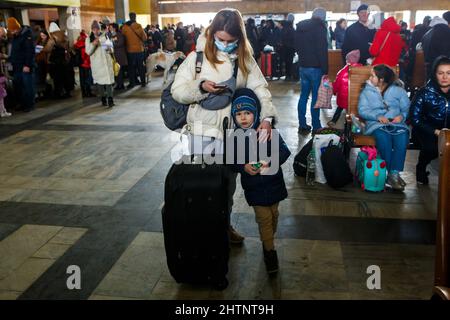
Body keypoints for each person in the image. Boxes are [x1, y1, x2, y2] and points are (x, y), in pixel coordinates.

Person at [171, 8, 277, 244]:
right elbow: (177, 92)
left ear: (239, 38)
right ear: (211, 34)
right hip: (200, 135)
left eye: (231, 40)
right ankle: (201, 232)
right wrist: (200, 87)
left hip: (233, 136)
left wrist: (267, 119)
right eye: (220, 39)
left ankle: (223, 227)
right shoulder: (196, 59)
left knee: (227, 188)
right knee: (200, 188)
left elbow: (260, 89)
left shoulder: (245, 60)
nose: (225, 44)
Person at [230, 88, 291, 274]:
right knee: (264, 219)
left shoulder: (268, 131)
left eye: (247, 113)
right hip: (254, 187)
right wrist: (243, 167)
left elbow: (284, 151)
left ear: (255, 113)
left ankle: (268, 240)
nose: (243, 118)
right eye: (239, 114)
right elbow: (232, 160)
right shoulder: (235, 138)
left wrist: (270, 162)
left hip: (274, 183)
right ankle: (270, 251)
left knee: (274, 215)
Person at [358, 64, 411, 191]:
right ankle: (389, 172)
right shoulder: (367, 91)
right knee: (384, 139)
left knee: (402, 139)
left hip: (397, 123)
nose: (370, 78)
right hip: (377, 124)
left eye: (373, 76)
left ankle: (394, 173)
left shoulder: (398, 91)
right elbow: (362, 110)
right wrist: (377, 116)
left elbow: (407, 108)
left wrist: (402, 116)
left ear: (381, 79)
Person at [410, 55, 450, 185]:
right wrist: (436, 131)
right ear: (435, 74)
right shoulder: (425, 92)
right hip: (427, 130)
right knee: (432, 148)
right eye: (441, 73)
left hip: (448, 131)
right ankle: (421, 167)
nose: (445, 77)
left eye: (449, 73)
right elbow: (414, 118)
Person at [294, 7, 328, 134]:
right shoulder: (319, 28)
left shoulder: (301, 27)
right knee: (316, 97)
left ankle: (302, 124)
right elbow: (322, 50)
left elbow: (296, 46)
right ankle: (316, 125)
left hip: (303, 67)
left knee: (303, 96)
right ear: (322, 17)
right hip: (316, 68)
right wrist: (325, 70)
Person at [7, 17, 35, 112]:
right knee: (18, 86)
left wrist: (27, 65)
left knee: (27, 86)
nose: (13, 32)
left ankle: (29, 104)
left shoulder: (27, 35)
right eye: (11, 31)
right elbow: (13, 52)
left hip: (25, 66)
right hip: (17, 66)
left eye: (14, 30)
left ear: (18, 27)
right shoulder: (15, 37)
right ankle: (22, 104)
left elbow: (30, 51)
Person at [328, 50, 362, 127]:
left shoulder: (342, 72)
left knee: (339, 108)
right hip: (355, 97)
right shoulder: (361, 69)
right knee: (352, 111)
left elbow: (336, 84)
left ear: (348, 60)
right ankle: (351, 125)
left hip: (343, 97)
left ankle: (334, 121)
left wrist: (334, 91)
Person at [86, 20, 115, 108]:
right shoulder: (88, 39)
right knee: (100, 83)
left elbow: (110, 50)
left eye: (97, 29)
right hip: (97, 65)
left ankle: (110, 99)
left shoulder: (104, 36)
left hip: (107, 62)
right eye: (94, 29)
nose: (96, 31)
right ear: (91, 29)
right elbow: (88, 52)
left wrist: (108, 48)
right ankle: (103, 98)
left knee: (109, 82)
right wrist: (94, 44)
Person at [122, 12, 147, 88]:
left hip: (130, 50)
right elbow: (144, 38)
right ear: (135, 17)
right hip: (139, 50)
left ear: (129, 17)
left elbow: (123, 38)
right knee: (140, 67)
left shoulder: (125, 27)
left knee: (131, 68)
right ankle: (143, 82)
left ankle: (132, 83)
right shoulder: (139, 26)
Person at [74, 30, 94, 97]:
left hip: (80, 63)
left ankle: (84, 93)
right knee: (87, 78)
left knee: (82, 79)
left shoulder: (78, 43)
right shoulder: (84, 43)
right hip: (85, 63)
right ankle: (88, 92)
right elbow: (86, 55)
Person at [110, 23, 128, 90]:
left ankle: (121, 85)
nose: (109, 28)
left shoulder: (119, 35)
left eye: (111, 27)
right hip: (115, 55)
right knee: (116, 70)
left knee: (119, 70)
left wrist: (111, 44)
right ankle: (119, 84)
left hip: (119, 55)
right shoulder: (112, 35)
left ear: (114, 28)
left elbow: (120, 43)